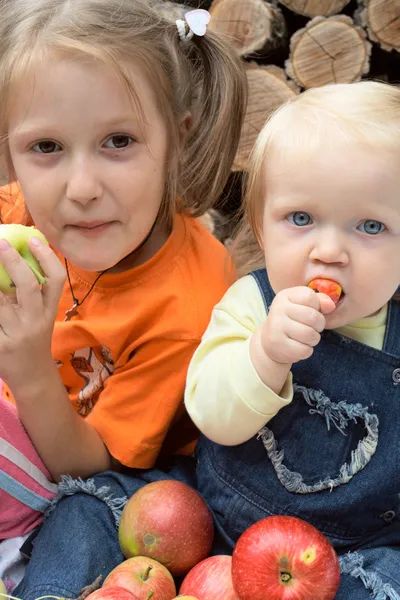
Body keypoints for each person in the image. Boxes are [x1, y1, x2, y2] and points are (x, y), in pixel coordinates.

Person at [0, 0, 246, 595]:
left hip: (102, 473)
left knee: (85, 523)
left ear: (177, 141)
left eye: (118, 141)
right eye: (46, 148)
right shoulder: (19, 216)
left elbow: (88, 468)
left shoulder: (188, 301)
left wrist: (28, 366)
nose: (81, 189)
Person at [185, 81, 400, 599]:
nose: (329, 251)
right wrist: (264, 354)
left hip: (350, 555)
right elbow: (211, 416)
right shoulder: (250, 303)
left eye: (370, 226)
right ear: (261, 229)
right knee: (98, 507)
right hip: (217, 526)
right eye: (300, 219)